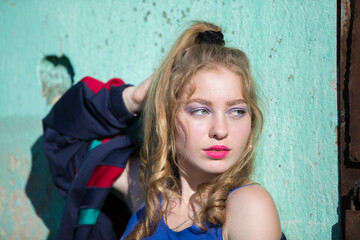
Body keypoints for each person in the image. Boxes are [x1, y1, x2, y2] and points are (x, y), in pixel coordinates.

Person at [43, 21, 286, 240]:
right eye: (200, 110)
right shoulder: (147, 191)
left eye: (236, 111)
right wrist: (134, 98)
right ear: (166, 120)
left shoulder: (247, 206)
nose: (221, 130)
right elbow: (62, 139)